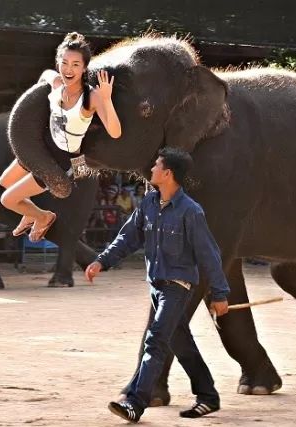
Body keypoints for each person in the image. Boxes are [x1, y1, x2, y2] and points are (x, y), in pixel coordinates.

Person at [85, 147, 230, 423]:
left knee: (156, 340)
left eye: (156, 166)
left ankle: (135, 403)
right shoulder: (150, 204)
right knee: (180, 342)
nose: (150, 169)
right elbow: (128, 238)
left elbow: (209, 255)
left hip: (178, 286)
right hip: (156, 285)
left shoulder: (191, 212)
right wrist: (101, 261)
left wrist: (220, 293)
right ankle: (208, 396)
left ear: (167, 173)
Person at [0, 31, 121, 242]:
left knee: (7, 199)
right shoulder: (54, 83)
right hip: (41, 148)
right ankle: (30, 212)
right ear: (58, 63)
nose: (69, 69)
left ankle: (43, 216)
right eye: (64, 63)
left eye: (75, 64)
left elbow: (115, 132)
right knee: (4, 180)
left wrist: (107, 99)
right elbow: (43, 78)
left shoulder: (90, 97)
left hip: (59, 161)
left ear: (84, 68)